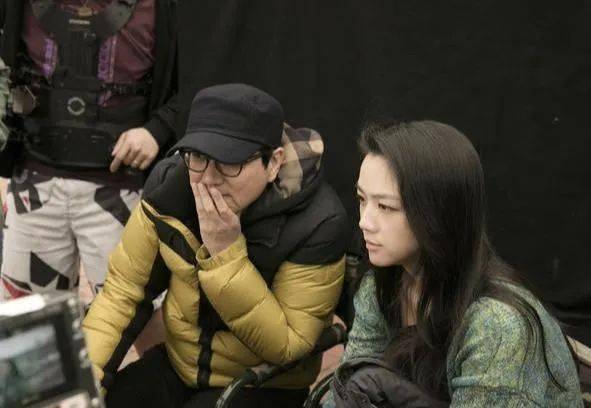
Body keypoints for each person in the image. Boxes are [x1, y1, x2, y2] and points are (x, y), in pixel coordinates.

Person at [82, 83, 349, 407]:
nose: (208, 179)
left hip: (264, 383)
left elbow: (288, 345)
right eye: (198, 157)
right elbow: (122, 293)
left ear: (273, 163)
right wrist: (86, 383)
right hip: (180, 365)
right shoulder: (170, 190)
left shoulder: (318, 221)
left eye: (229, 163)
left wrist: (225, 254)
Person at [326, 120, 582, 407]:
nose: (364, 221)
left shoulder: (497, 327)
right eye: (362, 199)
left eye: (385, 206)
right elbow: (346, 388)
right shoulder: (382, 285)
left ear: (436, 213)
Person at [0, 0, 178, 302]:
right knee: (28, 319)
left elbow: (199, 76)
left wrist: (158, 130)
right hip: (33, 185)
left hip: (124, 189)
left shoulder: (164, 8)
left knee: (132, 316)